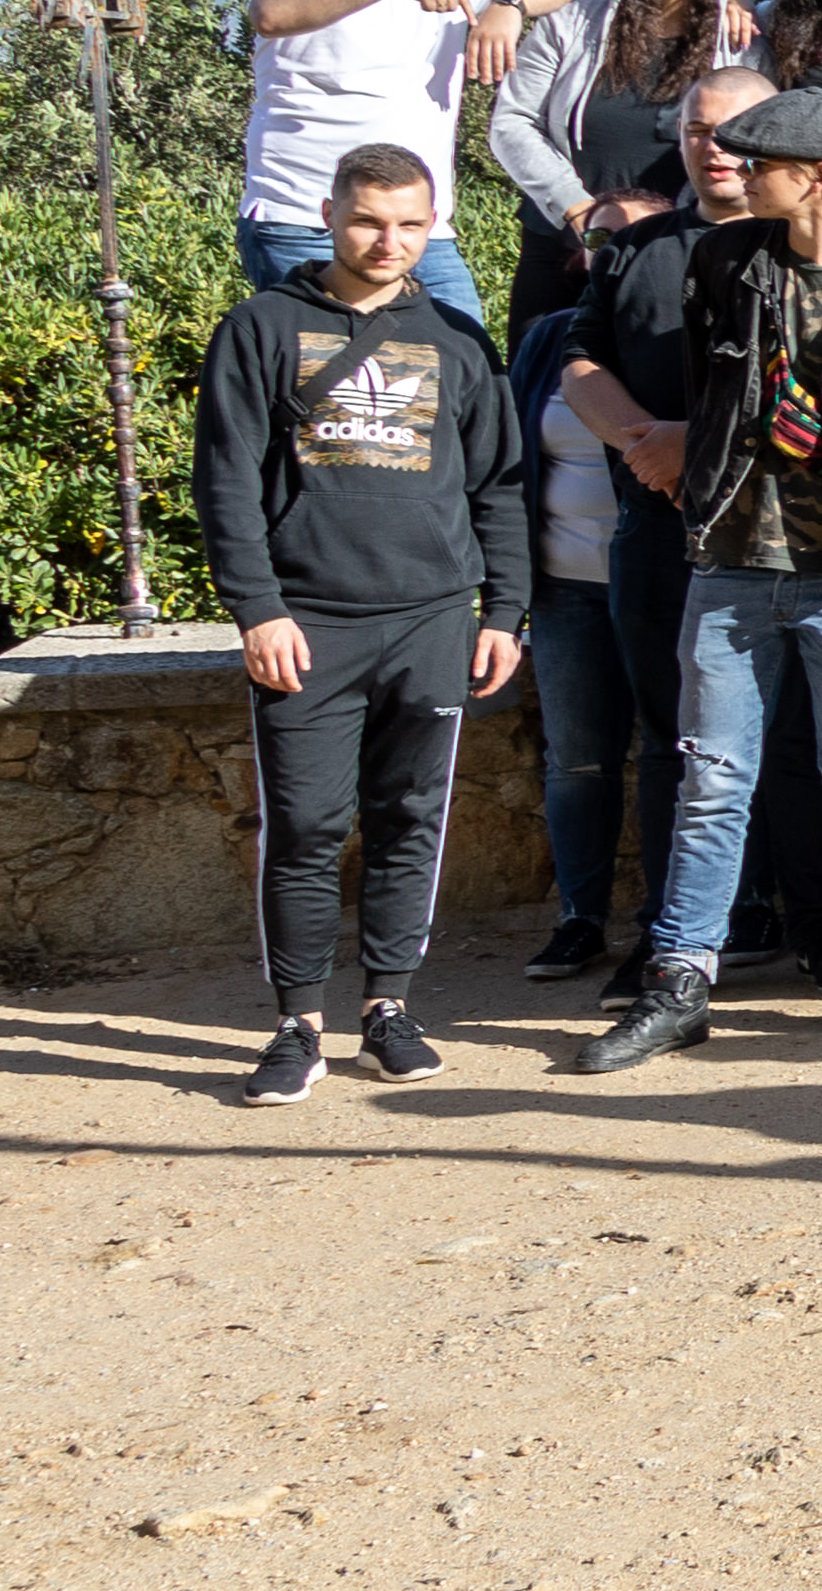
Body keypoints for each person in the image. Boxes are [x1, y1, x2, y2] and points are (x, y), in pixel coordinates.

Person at [576, 81, 822, 1072]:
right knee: (711, 779)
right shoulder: (724, 263)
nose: (736, 170)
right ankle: (680, 981)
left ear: (817, 176)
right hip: (730, 565)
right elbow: (713, 394)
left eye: (761, 161)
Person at [197, 142, 533, 1102]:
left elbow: (500, 488)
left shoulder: (459, 341)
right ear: (329, 217)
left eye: (410, 225)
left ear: (433, 226)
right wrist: (257, 608)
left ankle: (389, 1007)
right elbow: (225, 482)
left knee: (410, 819)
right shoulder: (261, 326)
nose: (389, 242)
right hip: (309, 622)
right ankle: (297, 1024)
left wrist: (505, 611)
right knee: (305, 825)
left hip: (432, 619)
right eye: (368, 222)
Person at [553, 66, 813, 1000]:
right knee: (671, 741)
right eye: (698, 130)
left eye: (733, 130)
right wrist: (644, 445)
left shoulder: (808, 247)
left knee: (794, 741)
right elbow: (581, 362)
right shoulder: (635, 251)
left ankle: (812, 929)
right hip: (657, 531)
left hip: (784, 537)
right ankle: (671, 933)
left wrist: (691, 446)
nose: (715, 147)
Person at [239, 0, 572, 320]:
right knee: (333, 368)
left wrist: (511, 4)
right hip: (306, 220)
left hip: (421, 233)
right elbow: (271, 14)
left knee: (466, 355)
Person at [486, 0, 744, 337]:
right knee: (540, 369)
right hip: (561, 244)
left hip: (682, 249)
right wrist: (577, 210)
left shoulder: (740, 41)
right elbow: (512, 121)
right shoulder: (569, 25)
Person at [509, 293, 635, 983]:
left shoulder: (669, 328)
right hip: (564, 590)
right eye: (599, 245)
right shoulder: (547, 339)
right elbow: (509, 458)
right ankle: (580, 919)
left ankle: (699, 919)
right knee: (577, 761)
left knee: (693, 756)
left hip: (667, 588)